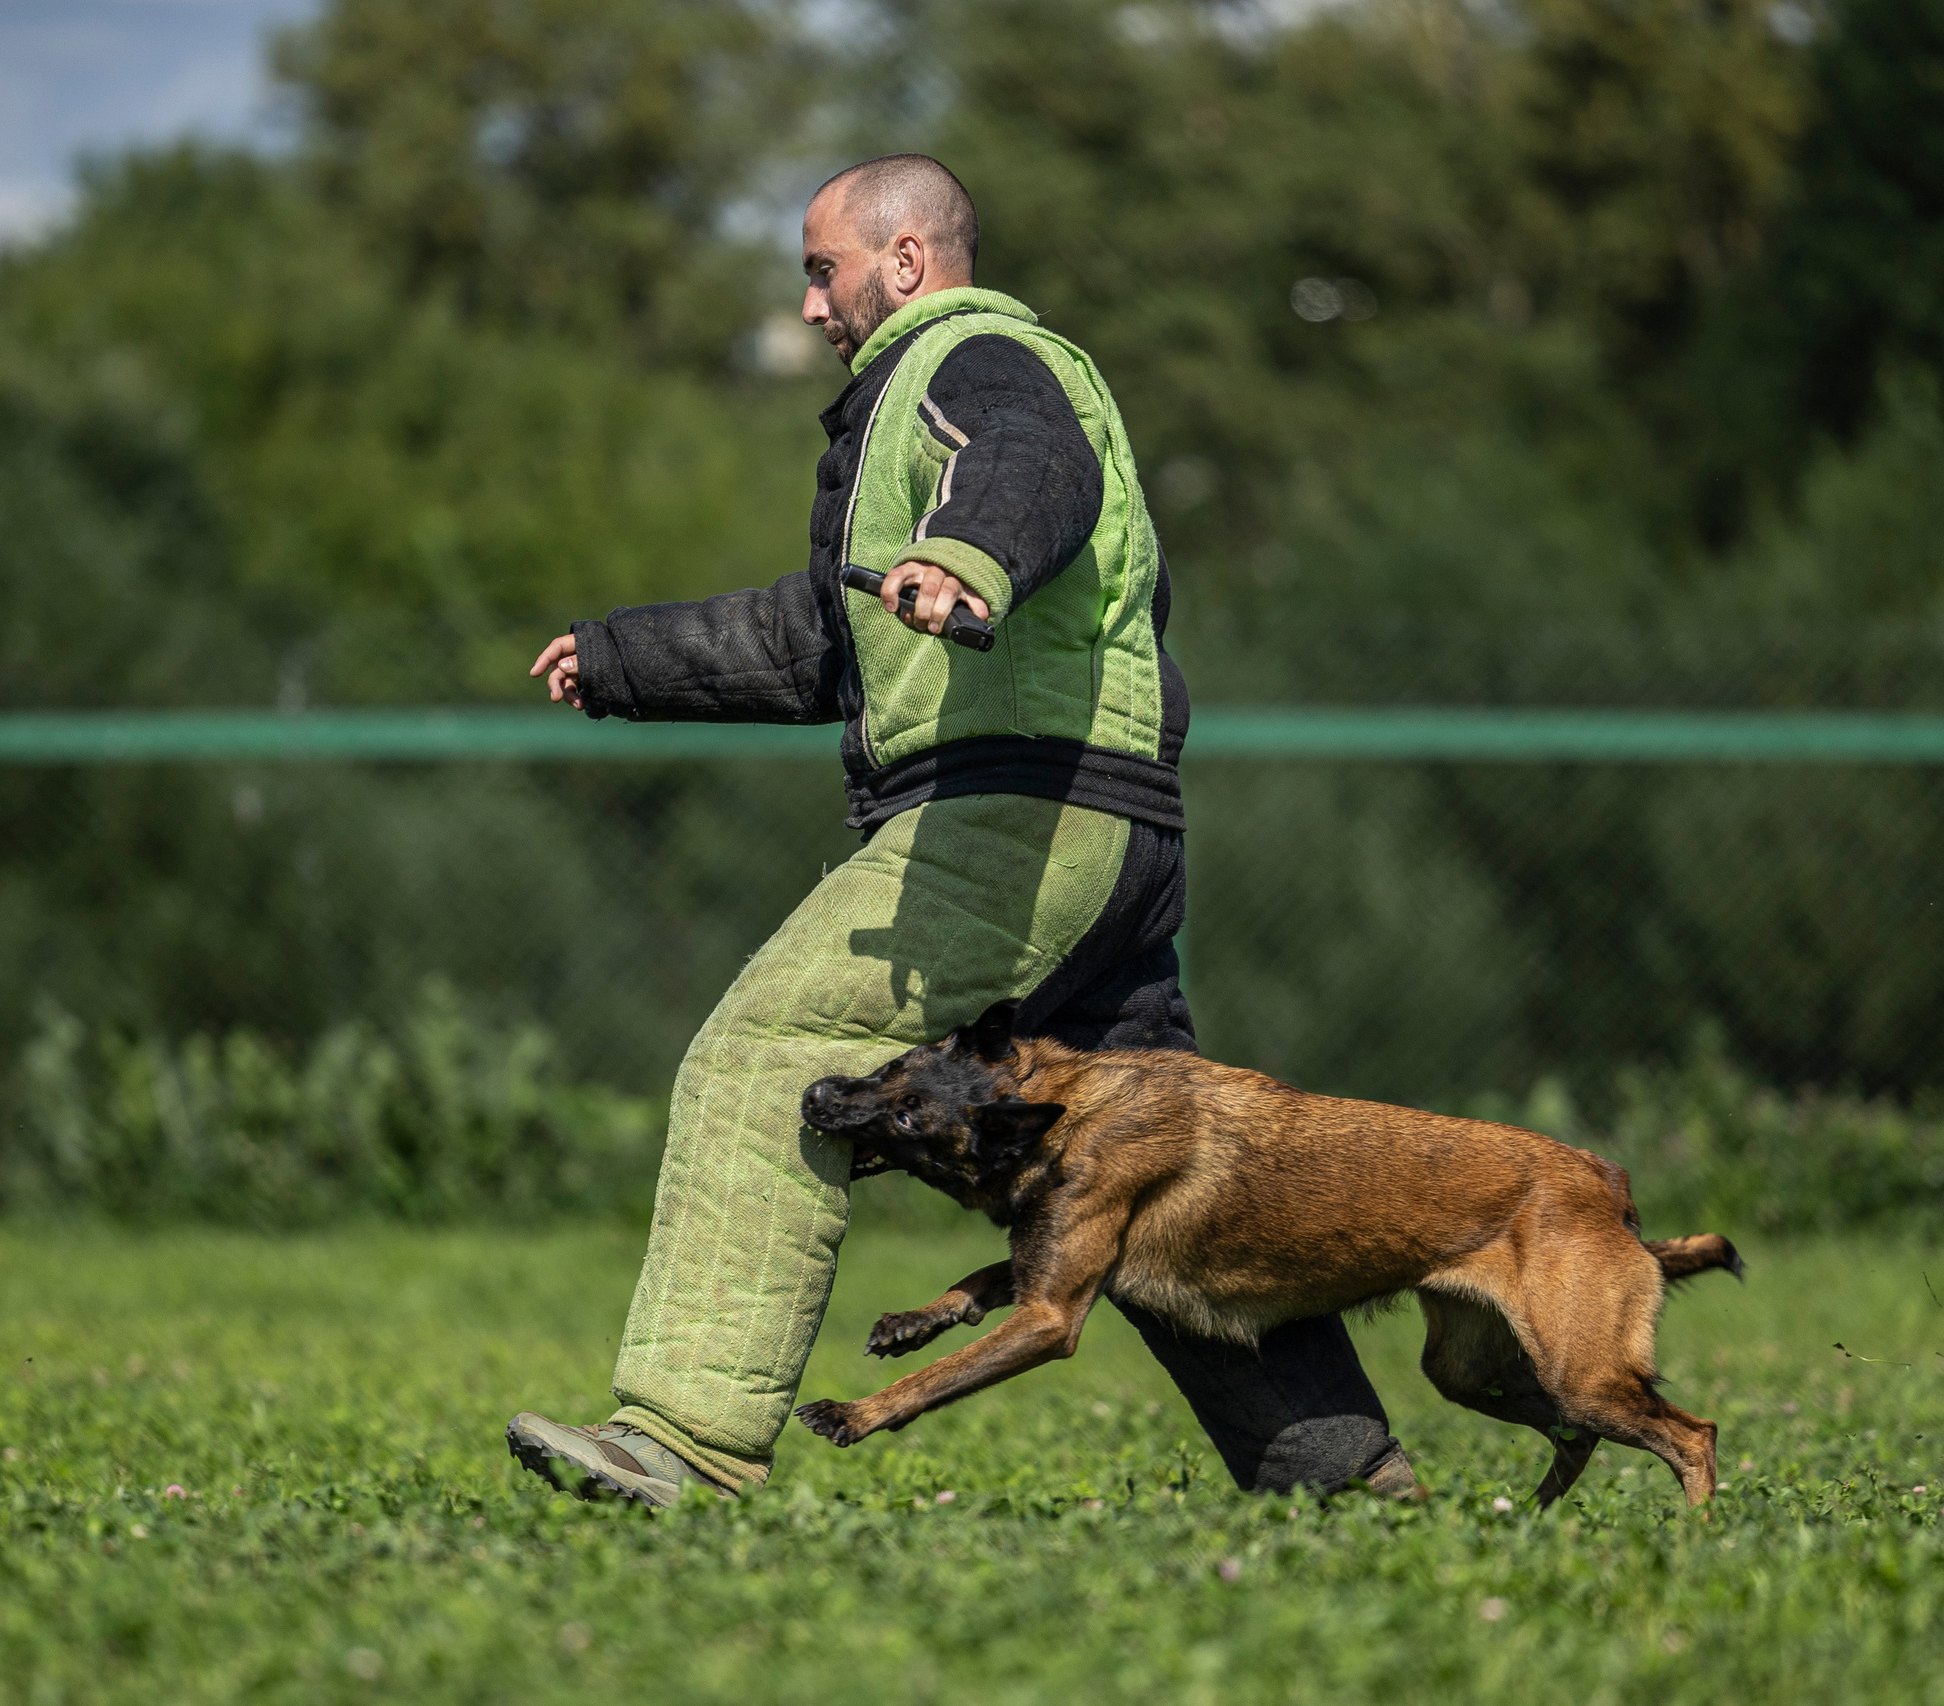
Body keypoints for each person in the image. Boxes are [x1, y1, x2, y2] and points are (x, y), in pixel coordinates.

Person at [507, 155, 1418, 1508]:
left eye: (824, 269)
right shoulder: (901, 421)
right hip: (1102, 831)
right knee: (1148, 1178)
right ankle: (1343, 1478)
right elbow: (820, 636)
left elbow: (1027, 471)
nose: (812, 302)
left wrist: (969, 556)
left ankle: (683, 1441)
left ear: (910, 258)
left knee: (771, 1051)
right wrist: (625, 657)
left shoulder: (978, 360)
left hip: (1018, 812)